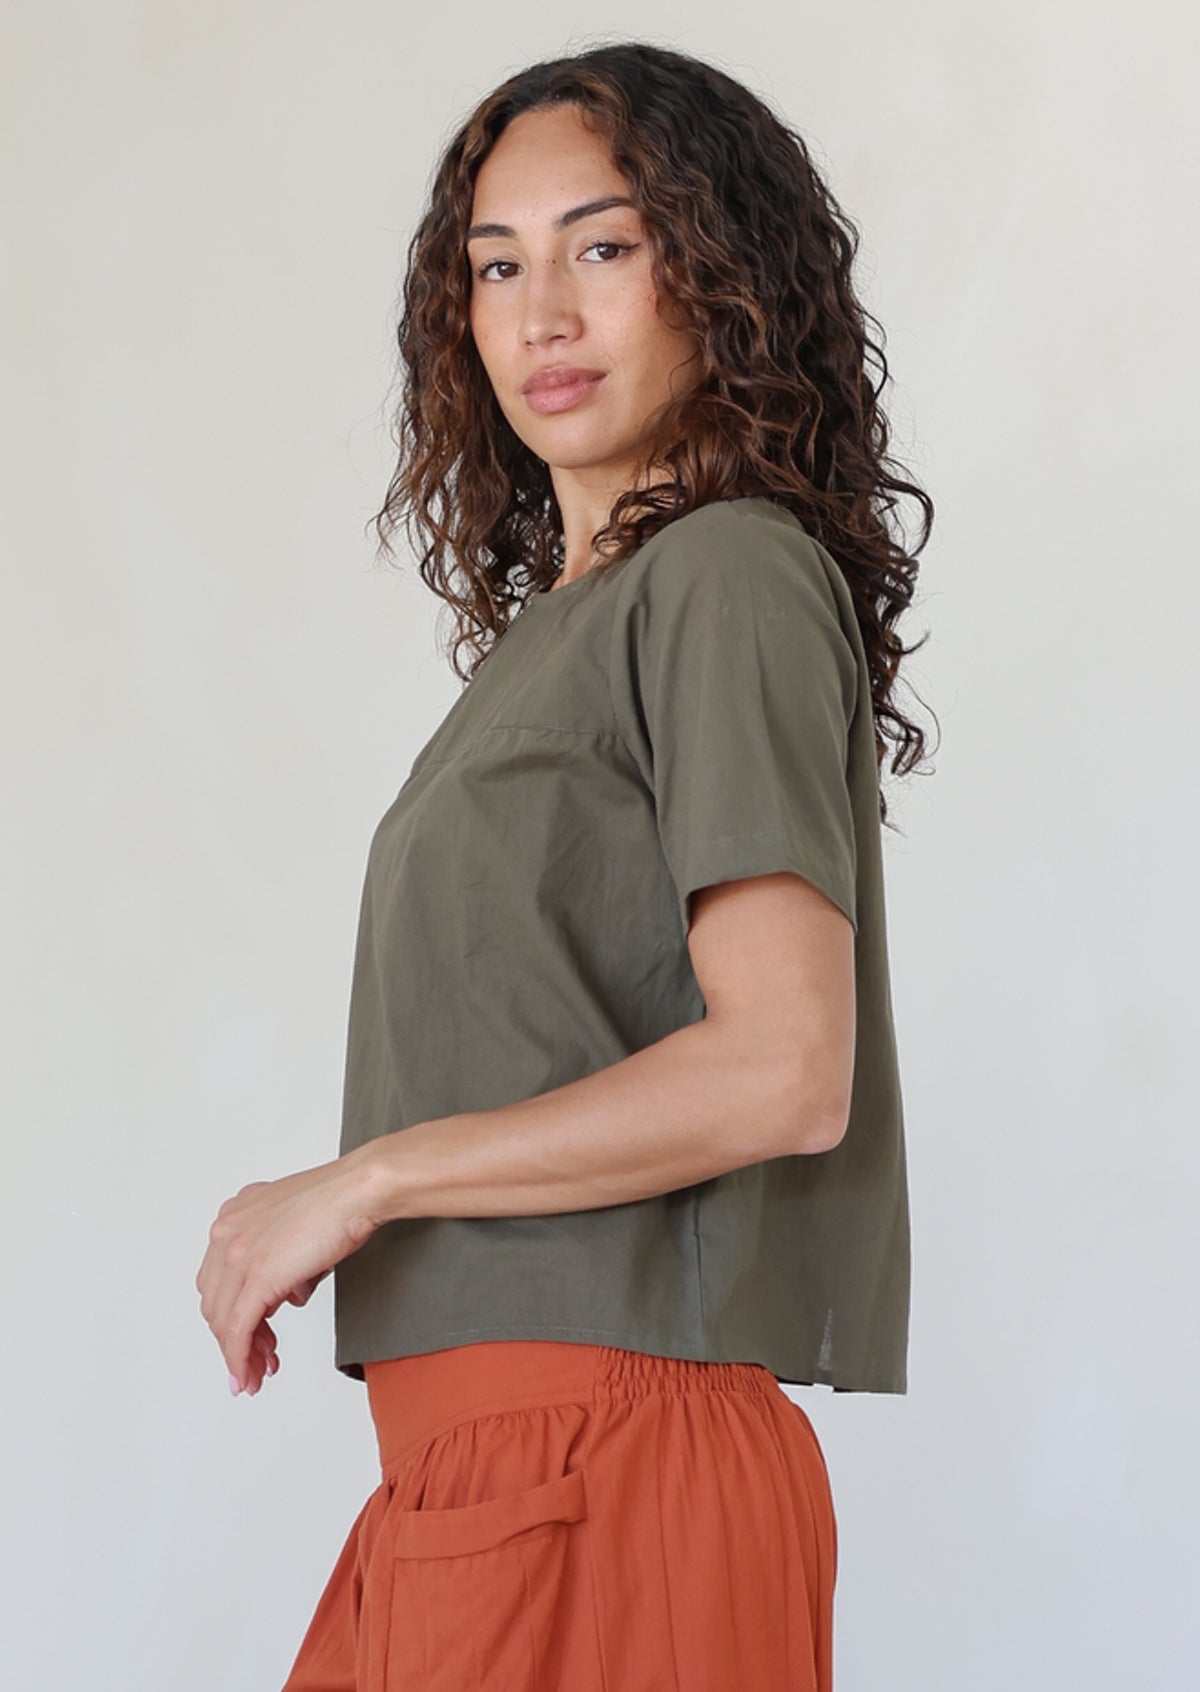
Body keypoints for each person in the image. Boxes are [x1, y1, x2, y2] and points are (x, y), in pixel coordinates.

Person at [195, 39, 934, 1692]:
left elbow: (783, 1069)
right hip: (490, 1479)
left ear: (717, 273)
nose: (543, 314)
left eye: (605, 246)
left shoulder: (727, 572)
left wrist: (367, 1177)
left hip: (603, 1466)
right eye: (497, 264)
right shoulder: (573, 632)